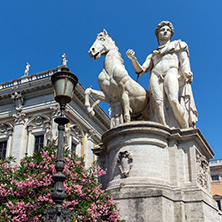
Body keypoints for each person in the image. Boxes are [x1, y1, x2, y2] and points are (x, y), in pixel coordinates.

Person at [126, 21, 197, 128]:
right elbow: (141, 71)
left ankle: (184, 126)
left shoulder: (178, 45)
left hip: (171, 72)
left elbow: (184, 62)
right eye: (162, 30)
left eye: (168, 30)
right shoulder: (153, 54)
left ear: (171, 34)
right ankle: (163, 128)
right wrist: (133, 59)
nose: (165, 32)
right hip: (155, 75)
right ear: (157, 34)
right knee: (158, 103)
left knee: (173, 99)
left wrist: (187, 72)